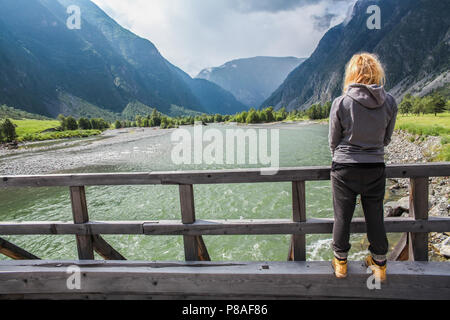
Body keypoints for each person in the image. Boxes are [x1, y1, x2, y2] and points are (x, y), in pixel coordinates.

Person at [328, 52, 398, 281]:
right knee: (375, 215)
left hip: (344, 168)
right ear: (377, 73)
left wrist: (342, 155)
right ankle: (379, 264)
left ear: (352, 74)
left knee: (342, 216)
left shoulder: (341, 102)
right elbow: (386, 138)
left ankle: (340, 263)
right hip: (375, 167)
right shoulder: (389, 102)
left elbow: (333, 140)